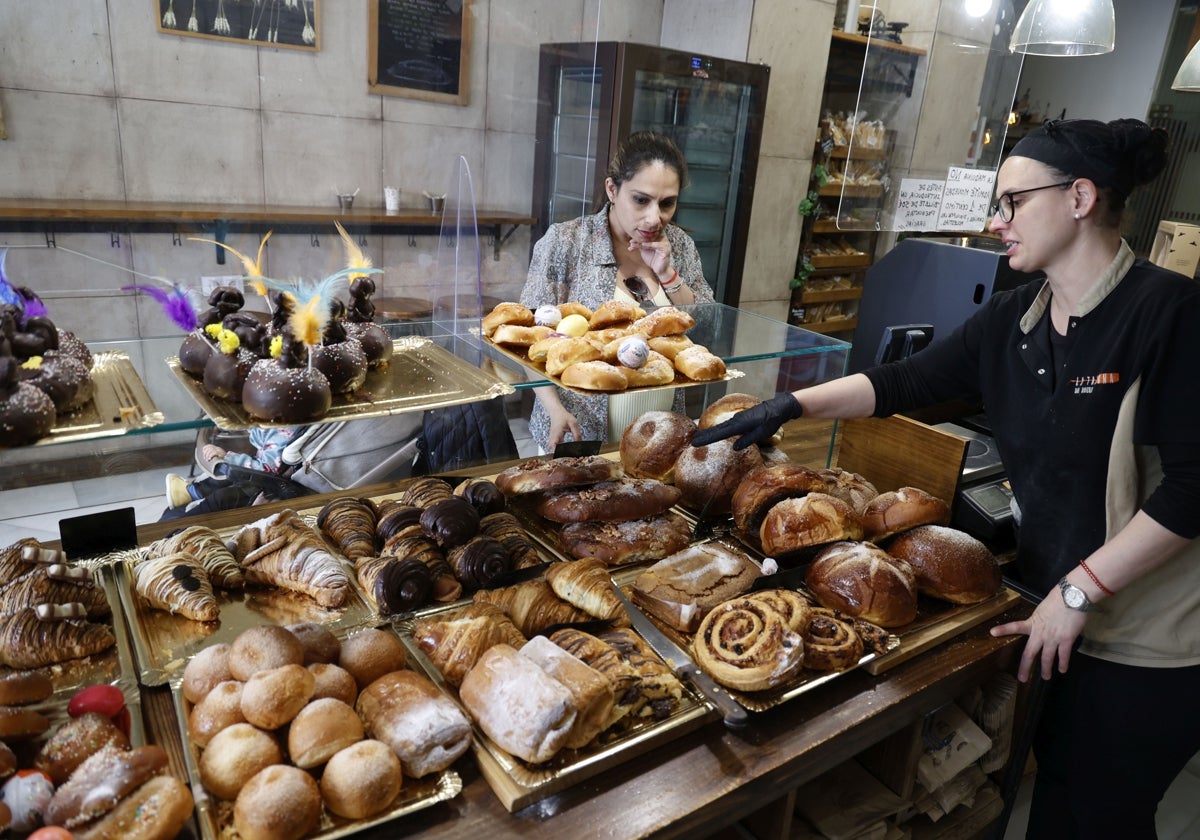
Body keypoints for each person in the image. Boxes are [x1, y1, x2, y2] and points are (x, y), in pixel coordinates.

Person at [693, 118, 1200, 838]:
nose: (997, 223)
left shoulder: (1168, 314)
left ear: (1080, 197)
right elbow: (904, 381)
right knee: (1052, 789)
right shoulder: (1015, 318)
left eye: (1012, 203)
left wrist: (1080, 589)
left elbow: (1192, 489)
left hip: (1147, 639)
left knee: (1093, 817)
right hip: (1053, 603)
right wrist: (791, 402)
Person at [520, 130, 715, 453]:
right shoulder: (567, 242)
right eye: (641, 200)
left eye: (667, 203)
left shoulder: (679, 245)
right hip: (577, 426)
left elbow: (706, 327)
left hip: (659, 435)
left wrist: (667, 273)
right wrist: (555, 409)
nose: (655, 217)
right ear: (612, 189)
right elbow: (529, 341)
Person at [162, 425, 304, 519]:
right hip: (261, 468)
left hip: (268, 483)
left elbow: (268, 469)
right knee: (221, 478)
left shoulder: (283, 431)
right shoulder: (270, 418)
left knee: (222, 496)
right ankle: (192, 491)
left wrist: (228, 456)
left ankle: (179, 522)